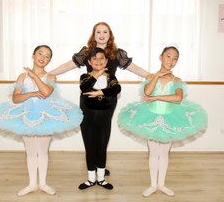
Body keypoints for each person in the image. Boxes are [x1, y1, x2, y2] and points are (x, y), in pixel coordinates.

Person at [49, 22, 150, 177]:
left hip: (108, 98)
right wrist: (50, 74)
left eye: (105, 32)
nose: (101, 35)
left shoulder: (116, 53)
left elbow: (134, 68)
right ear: (94, 34)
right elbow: (67, 65)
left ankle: (100, 164)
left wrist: (152, 76)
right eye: (98, 32)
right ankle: (93, 165)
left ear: (110, 35)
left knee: (102, 130)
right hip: (88, 97)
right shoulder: (86, 52)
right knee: (89, 130)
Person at [0, 45, 83, 196]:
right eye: (40, 53)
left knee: (43, 151)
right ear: (33, 56)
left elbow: (46, 92)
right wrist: (32, 92)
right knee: (31, 152)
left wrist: (34, 76)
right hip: (26, 116)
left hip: (46, 116)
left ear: (49, 61)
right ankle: (32, 184)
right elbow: (16, 97)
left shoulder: (51, 76)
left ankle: (43, 183)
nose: (43, 57)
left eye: (47, 56)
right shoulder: (22, 77)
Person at [117, 46, 207, 197]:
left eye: (175, 59)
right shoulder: (150, 77)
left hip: (169, 119)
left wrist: (157, 97)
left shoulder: (177, 80)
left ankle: (162, 184)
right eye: (168, 56)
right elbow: (147, 92)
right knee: (153, 153)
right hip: (150, 118)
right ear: (161, 57)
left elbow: (177, 98)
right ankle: (153, 185)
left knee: (164, 153)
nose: (171, 61)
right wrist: (157, 76)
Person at [78, 47, 121, 190]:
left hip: (104, 121)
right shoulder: (85, 76)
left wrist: (100, 92)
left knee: (102, 148)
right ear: (89, 61)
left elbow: (116, 89)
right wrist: (96, 75)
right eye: (94, 58)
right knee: (90, 148)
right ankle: (91, 179)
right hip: (87, 121)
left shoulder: (111, 78)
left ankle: (101, 178)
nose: (98, 61)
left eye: (101, 58)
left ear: (107, 61)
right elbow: (85, 87)